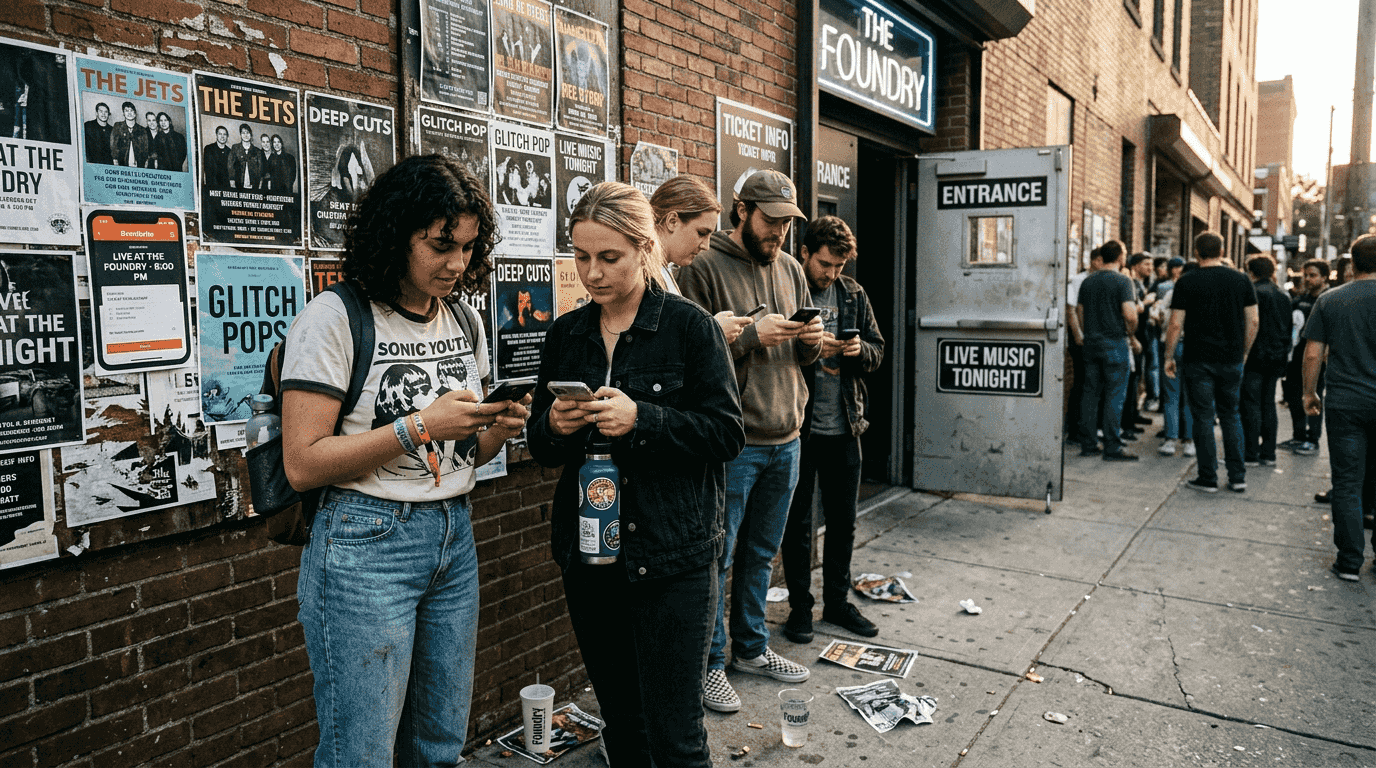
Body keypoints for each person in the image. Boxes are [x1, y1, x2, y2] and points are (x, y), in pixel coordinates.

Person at [281, 155, 530, 767]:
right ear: (397, 235)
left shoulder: (463, 319)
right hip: (364, 546)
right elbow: (303, 464)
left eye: (468, 249)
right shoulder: (334, 318)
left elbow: (467, 452)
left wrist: (497, 426)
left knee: (439, 742)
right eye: (440, 246)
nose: (456, 265)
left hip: (453, 534)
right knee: (360, 753)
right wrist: (418, 426)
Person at [528, 181, 745, 766]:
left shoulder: (689, 328)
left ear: (644, 249)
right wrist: (555, 424)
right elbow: (541, 450)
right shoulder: (565, 336)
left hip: (672, 558)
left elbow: (726, 434)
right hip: (590, 557)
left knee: (675, 734)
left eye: (609, 257)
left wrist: (641, 417)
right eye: (581, 256)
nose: (592, 273)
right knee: (622, 724)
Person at [677, 169, 823, 713]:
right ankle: (712, 665)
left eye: (788, 224)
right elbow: (691, 360)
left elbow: (806, 357)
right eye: (772, 221)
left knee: (763, 553)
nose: (781, 234)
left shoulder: (789, 268)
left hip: (788, 434)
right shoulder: (704, 266)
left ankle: (752, 649)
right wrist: (750, 338)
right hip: (736, 443)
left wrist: (810, 340)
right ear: (743, 212)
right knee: (720, 555)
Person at [779, 215, 885, 644]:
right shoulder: (787, 287)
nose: (831, 273)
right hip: (799, 430)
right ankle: (800, 609)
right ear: (805, 253)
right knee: (798, 524)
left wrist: (860, 352)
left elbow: (878, 351)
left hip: (846, 427)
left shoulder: (853, 294)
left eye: (839, 266)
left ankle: (837, 603)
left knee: (843, 522)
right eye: (825, 264)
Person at [1302, 234, 1376, 581]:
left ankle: (1349, 560)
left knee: (1347, 481)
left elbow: (1314, 352)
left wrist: (1309, 392)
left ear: (1352, 262)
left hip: (1346, 401)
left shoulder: (1331, 300)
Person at [1164, 231, 1258, 493]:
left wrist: (1168, 357)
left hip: (1198, 360)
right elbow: (1253, 321)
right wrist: (1244, 351)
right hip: (1231, 359)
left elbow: (1174, 324)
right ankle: (1238, 477)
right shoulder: (1241, 279)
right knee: (1231, 415)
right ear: (1222, 250)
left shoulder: (1186, 281)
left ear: (1196, 252)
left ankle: (1208, 478)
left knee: (1203, 417)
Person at [647, 175, 753, 344]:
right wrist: (712, 331)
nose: (706, 246)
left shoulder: (662, 269)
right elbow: (654, 349)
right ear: (672, 221)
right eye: (702, 233)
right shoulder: (642, 274)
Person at [1076, 240, 1139, 461]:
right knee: (1115, 395)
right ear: (1120, 257)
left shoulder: (1088, 282)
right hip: (1114, 342)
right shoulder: (1123, 281)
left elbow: (1080, 312)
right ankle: (1112, 446)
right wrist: (1129, 334)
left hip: (1091, 342)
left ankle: (1088, 444)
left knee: (1090, 394)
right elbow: (1130, 315)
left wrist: (1090, 332)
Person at [1240, 255, 1292, 467]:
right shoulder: (1284, 295)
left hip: (1255, 354)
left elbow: (1251, 323)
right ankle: (1268, 453)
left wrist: (1243, 351)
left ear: (1251, 271)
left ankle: (1250, 453)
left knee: (1251, 403)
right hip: (1276, 355)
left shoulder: (1253, 292)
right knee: (1268, 402)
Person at [1281, 259, 1328, 455]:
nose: (1308, 279)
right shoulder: (1300, 300)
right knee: (1294, 398)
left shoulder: (1328, 300)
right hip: (1295, 359)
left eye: (1313, 275)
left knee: (1313, 397)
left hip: (1317, 361)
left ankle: (1312, 438)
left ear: (1324, 277)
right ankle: (1298, 435)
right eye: (1306, 275)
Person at [1154, 259, 1194, 457]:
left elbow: (1168, 322)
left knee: (1171, 395)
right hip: (1196, 347)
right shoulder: (1205, 292)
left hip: (1174, 344)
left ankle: (1170, 440)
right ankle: (1189, 441)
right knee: (1190, 396)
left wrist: (1168, 354)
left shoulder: (1173, 292)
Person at [1065, 248, 1105, 446]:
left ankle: (1088, 428)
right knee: (1081, 384)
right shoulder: (1078, 280)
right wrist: (1079, 335)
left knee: (1091, 385)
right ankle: (1075, 431)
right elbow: (1070, 310)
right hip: (1080, 340)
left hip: (1093, 338)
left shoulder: (1099, 280)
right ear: (1096, 260)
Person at [110, 102, 150, 168]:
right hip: (122, 163)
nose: (129, 113)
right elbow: (113, 145)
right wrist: (115, 159)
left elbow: (145, 148)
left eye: (131, 110)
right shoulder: (118, 126)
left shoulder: (142, 130)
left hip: (139, 164)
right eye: (126, 110)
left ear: (135, 114)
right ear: (123, 113)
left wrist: (145, 161)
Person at [229, 124, 263, 190]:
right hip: (238, 184)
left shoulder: (257, 151)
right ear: (240, 135)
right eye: (243, 133)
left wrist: (260, 184)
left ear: (251, 134)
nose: (245, 135)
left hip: (254, 185)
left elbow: (260, 169)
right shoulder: (235, 148)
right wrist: (232, 181)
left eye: (247, 132)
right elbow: (230, 166)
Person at [202, 125, 233, 192]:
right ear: (216, 135)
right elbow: (208, 169)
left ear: (227, 136)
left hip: (225, 188)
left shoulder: (230, 151)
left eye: (224, 134)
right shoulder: (209, 149)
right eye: (220, 134)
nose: (222, 136)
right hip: (212, 187)